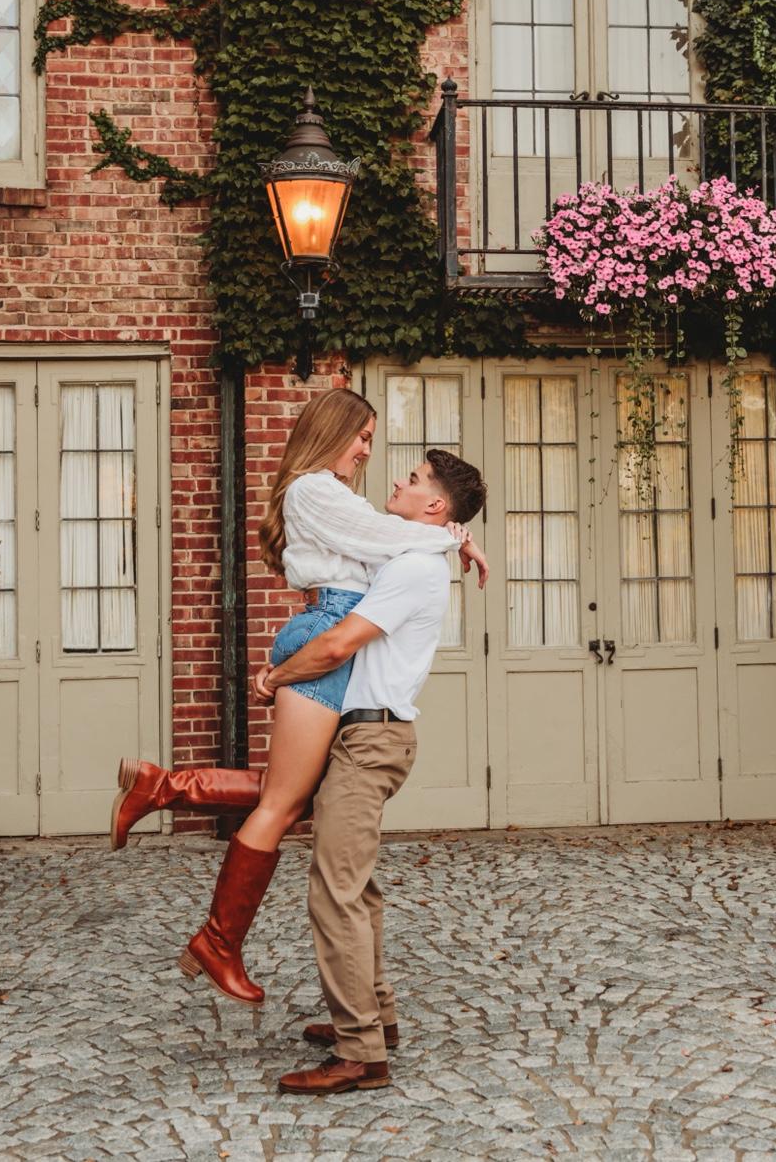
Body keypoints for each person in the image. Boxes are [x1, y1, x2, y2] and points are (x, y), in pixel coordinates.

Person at [108, 389, 487, 1007]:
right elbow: (389, 537)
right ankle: (218, 941)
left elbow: (394, 534)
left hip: (329, 621)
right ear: (333, 431)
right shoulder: (314, 489)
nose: (368, 451)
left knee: (297, 794)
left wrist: (452, 533)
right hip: (326, 625)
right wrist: (453, 538)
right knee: (284, 805)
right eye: (362, 437)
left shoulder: (335, 495)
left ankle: (165, 787)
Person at [248, 448, 487, 1095]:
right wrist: (460, 539)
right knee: (358, 889)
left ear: (433, 503)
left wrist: (274, 677)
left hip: (371, 739)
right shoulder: (412, 556)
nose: (399, 482)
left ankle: (360, 1054)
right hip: (371, 734)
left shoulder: (411, 568)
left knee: (335, 892)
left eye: (414, 480)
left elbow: (336, 645)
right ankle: (376, 1018)